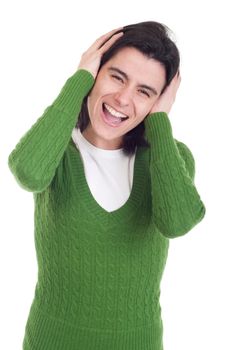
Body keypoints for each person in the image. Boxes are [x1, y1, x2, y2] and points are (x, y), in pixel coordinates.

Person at [8, 21, 206, 350]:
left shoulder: (170, 157)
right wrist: (78, 81)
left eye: (145, 92)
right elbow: (28, 172)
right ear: (96, 71)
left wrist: (159, 121)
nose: (123, 99)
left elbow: (178, 221)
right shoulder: (56, 149)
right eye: (117, 76)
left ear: (160, 101)